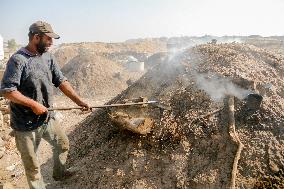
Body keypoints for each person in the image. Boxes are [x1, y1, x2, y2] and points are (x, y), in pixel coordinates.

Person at [0, 21, 90, 189]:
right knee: (33, 167)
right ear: (36, 37)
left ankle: (59, 173)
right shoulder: (18, 60)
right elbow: (7, 90)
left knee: (63, 144)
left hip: (47, 117)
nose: (51, 43)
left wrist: (79, 101)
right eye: (48, 39)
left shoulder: (48, 57)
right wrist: (33, 104)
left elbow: (61, 81)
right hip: (25, 124)